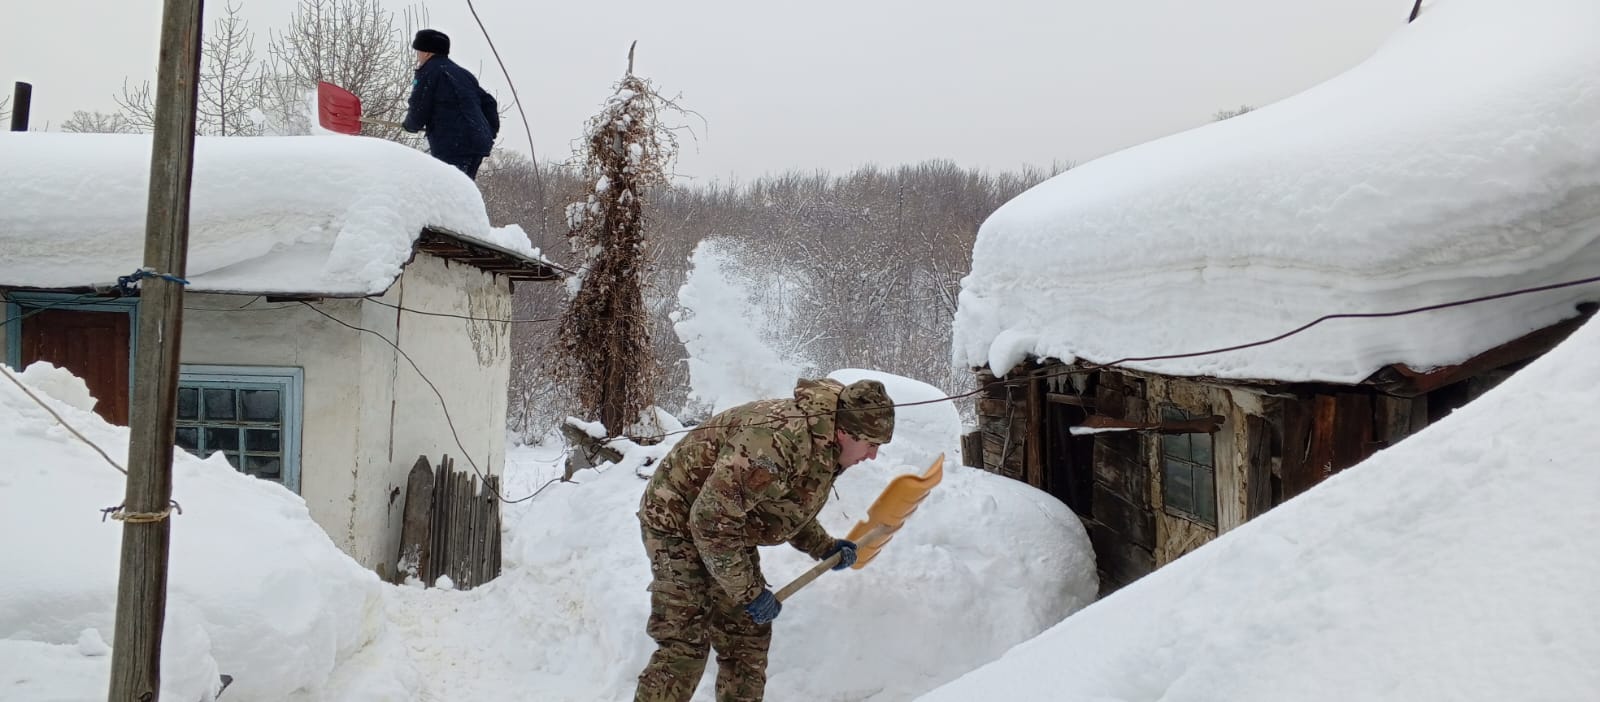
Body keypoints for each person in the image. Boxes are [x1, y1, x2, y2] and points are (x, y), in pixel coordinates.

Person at [633, 377, 896, 702]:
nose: (872, 456)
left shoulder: (825, 443)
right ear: (845, 432)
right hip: (676, 520)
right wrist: (748, 592)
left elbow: (784, 507)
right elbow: (710, 521)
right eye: (871, 444)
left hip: (727, 524)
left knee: (745, 636)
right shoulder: (775, 441)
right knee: (685, 645)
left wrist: (824, 546)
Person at [403, 29, 499, 179]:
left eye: (419, 52)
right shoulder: (463, 74)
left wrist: (410, 125)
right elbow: (489, 103)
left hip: (452, 143)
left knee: (446, 190)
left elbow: (419, 106)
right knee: (461, 189)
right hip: (478, 142)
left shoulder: (429, 71)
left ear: (428, 53)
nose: (418, 56)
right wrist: (488, 131)